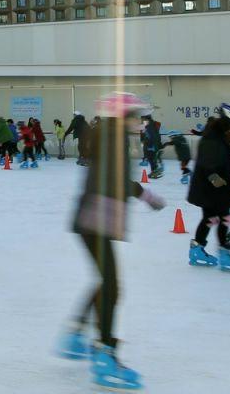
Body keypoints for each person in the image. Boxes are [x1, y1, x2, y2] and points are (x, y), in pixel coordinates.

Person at [59, 93, 165, 390]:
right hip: (97, 220)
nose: (141, 121)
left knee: (106, 283)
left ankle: (75, 335)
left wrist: (142, 195)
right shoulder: (112, 139)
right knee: (112, 286)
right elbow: (112, 180)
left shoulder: (110, 137)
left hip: (95, 219)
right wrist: (144, 195)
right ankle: (104, 356)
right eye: (136, 115)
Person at [187, 103, 230, 272]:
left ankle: (197, 250)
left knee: (211, 219)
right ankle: (223, 254)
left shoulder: (220, 137)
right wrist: (215, 179)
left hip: (216, 190)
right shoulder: (211, 138)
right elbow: (206, 164)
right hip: (212, 190)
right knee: (223, 219)